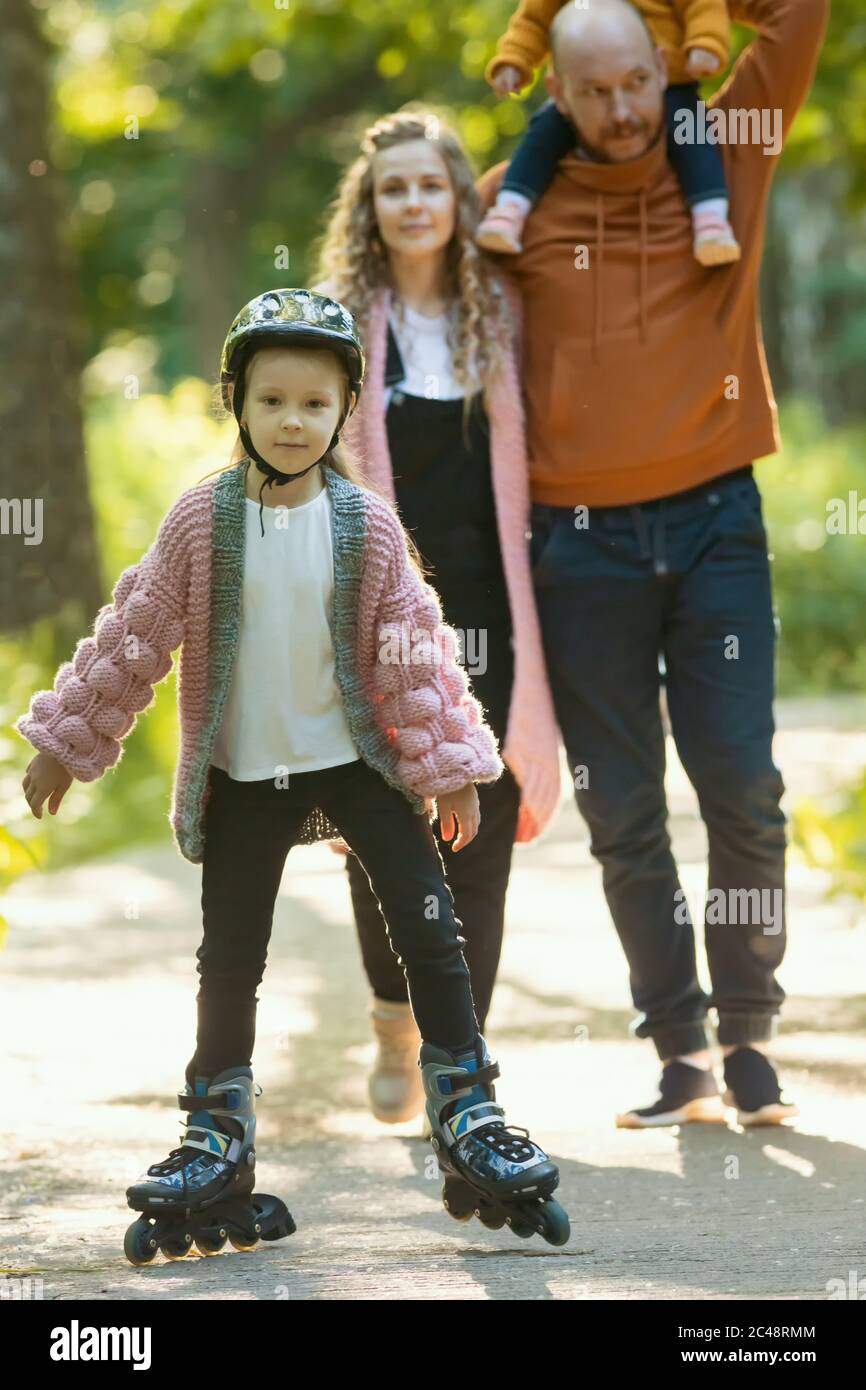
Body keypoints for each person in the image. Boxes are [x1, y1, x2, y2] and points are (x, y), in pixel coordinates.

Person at [15, 288, 568, 1252]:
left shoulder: (368, 526)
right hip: (245, 776)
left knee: (429, 932)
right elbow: (136, 630)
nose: (292, 420)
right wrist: (68, 737)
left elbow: (418, 653)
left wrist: (446, 767)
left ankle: (468, 1105)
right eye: (272, 400)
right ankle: (216, 1129)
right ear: (237, 401)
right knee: (229, 960)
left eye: (315, 403)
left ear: (344, 411)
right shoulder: (202, 522)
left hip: (357, 766)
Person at [476, 0, 827, 1127]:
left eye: (637, 81)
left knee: (742, 788)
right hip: (576, 545)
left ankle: (749, 1031)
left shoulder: (727, 150)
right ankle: (678, 1050)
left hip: (716, 519)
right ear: (555, 95)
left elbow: (798, 15)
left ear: (659, 66)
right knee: (620, 810)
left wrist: (697, 16)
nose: (623, 110)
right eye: (595, 91)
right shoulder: (508, 204)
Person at [313, 108, 562, 1124]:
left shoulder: (498, 313)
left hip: (495, 610)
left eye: (429, 186)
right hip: (382, 611)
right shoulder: (339, 320)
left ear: (460, 201)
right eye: (392, 189)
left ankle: (462, 1069)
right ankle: (391, 1020)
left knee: (485, 827)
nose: (412, 203)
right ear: (368, 209)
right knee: (387, 822)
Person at [478, 0, 740, 265]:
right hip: (582, 90)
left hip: (670, 79)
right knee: (541, 136)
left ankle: (711, 218)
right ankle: (510, 209)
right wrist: (514, 59)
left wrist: (706, 41)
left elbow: (702, 4)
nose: (621, 113)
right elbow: (533, 21)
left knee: (694, 137)